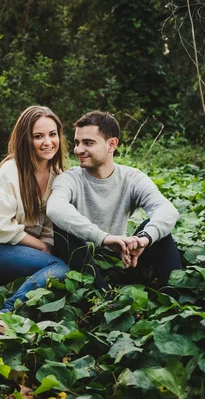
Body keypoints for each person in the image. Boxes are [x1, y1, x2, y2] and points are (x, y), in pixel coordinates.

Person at [46, 111, 182, 296]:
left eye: (88, 143)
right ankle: (102, 295)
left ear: (112, 144)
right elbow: (55, 208)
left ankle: (181, 298)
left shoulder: (132, 177)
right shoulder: (69, 178)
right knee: (63, 229)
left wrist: (144, 239)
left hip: (121, 258)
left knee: (157, 231)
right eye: (77, 143)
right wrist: (104, 238)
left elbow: (166, 210)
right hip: (83, 263)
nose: (78, 149)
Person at [0, 105, 70, 334]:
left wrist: (47, 245)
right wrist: (42, 247)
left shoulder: (59, 175)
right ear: (25, 139)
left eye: (52, 134)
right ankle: (4, 316)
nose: (48, 142)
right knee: (58, 268)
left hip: (23, 250)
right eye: (38, 136)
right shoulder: (10, 171)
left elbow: (50, 224)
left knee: (59, 270)